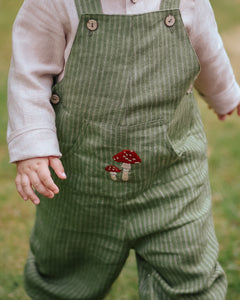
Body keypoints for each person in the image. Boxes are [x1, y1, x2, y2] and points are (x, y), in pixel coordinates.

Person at [7, 0, 240, 299]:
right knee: (65, 273)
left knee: (188, 269)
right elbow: (29, 75)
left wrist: (224, 94)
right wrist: (34, 146)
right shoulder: (53, 4)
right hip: (80, 182)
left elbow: (207, 50)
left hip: (172, 178)